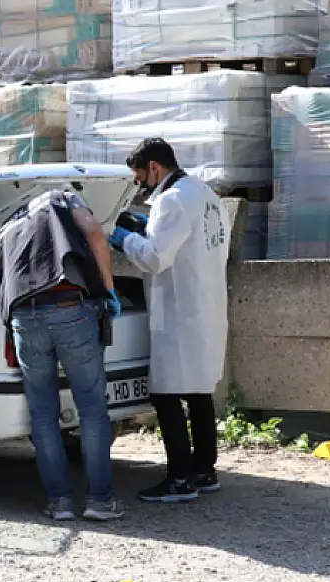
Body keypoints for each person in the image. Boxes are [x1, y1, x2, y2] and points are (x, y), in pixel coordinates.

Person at [108, 137, 231, 503]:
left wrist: (123, 238)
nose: (140, 185)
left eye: (140, 177)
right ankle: (204, 470)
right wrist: (145, 227)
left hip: (179, 312)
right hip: (204, 306)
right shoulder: (204, 193)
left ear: (155, 168)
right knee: (198, 392)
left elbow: (156, 259)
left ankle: (179, 478)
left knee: (165, 395)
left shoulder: (170, 200)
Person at [0, 188, 125, 521]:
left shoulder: (11, 220)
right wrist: (108, 288)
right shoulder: (62, 198)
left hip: (24, 317)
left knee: (43, 414)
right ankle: (99, 501)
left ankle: (60, 502)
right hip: (69, 309)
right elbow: (93, 231)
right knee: (92, 409)